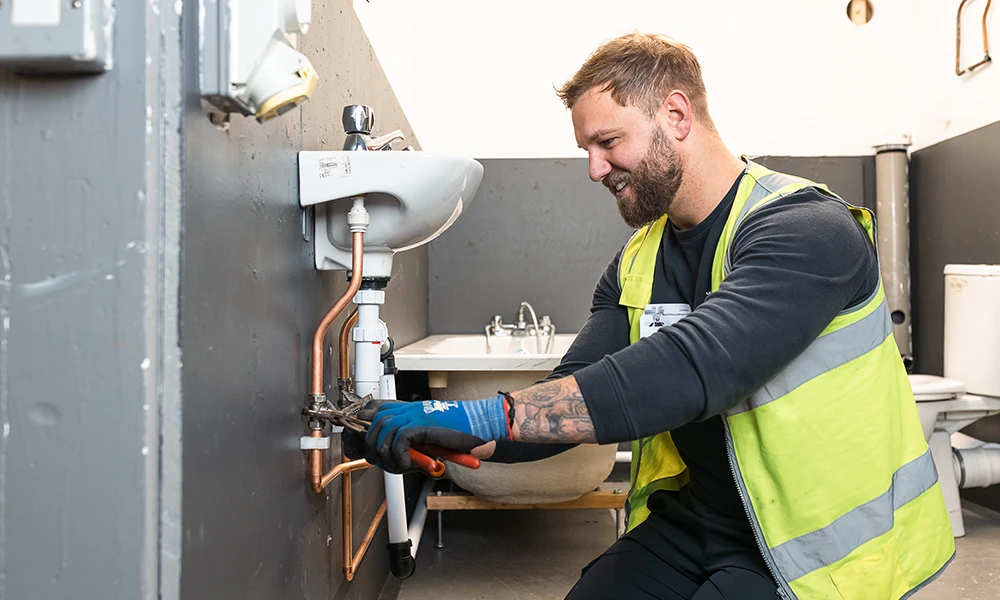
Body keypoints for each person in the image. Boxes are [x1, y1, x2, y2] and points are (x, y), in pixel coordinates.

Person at [348, 33, 955, 599]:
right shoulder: (639, 258)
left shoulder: (808, 230)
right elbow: (569, 393)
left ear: (676, 115)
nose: (594, 169)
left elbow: (696, 367)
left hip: (813, 546)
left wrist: (480, 413)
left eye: (608, 142)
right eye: (587, 150)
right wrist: (440, 428)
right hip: (702, 520)